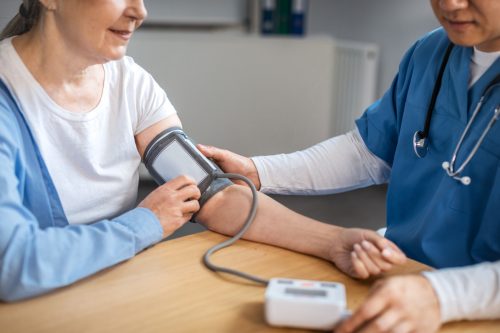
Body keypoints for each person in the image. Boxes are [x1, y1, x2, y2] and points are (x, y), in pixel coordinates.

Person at [0, 0, 407, 302]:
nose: (139, 11)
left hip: (111, 287)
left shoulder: (130, 83)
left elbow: (213, 194)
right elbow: (14, 264)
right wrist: (145, 223)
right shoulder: (8, 99)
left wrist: (335, 242)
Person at [197, 0, 500, 331]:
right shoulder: (431, 52)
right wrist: (258, 171)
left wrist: (442, 296)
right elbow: (368, 153)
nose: (450, 4)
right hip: (399, 269)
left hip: (478, 304)